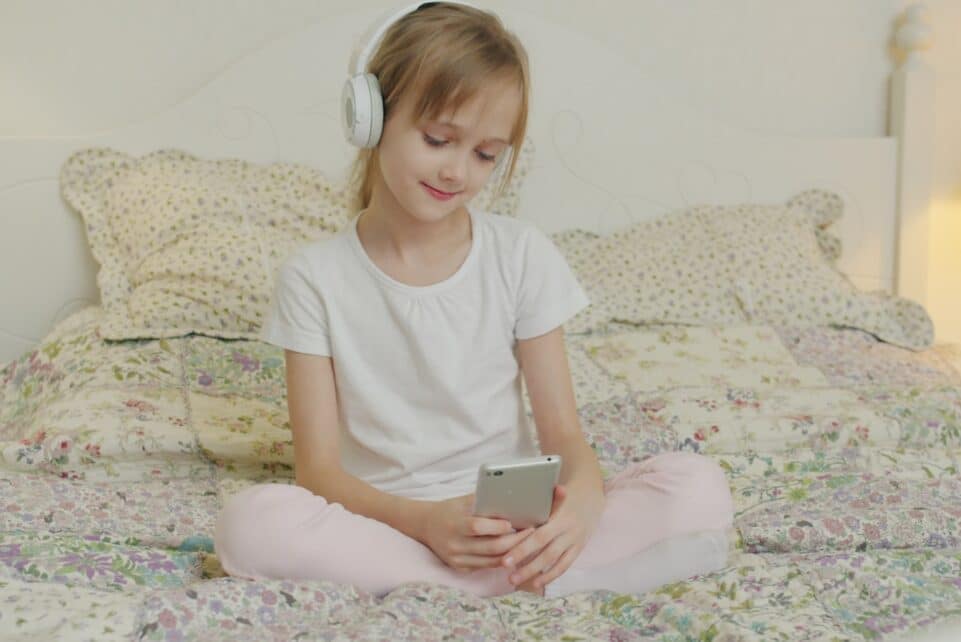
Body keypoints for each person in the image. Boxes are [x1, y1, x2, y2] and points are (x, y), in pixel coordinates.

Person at [214, 1, 734, 598]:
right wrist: (425, 523)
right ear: (371, 117)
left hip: (511, 524)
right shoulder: (314, 278)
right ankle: (540, 583)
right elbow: (319, 474)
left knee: (697, 486)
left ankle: (481, 579)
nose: (457, 172)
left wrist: (582, 508)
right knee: (251, 525)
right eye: (439, 139)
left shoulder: (521, 254)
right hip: (391, 525)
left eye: (485, 154)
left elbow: (564, 436)